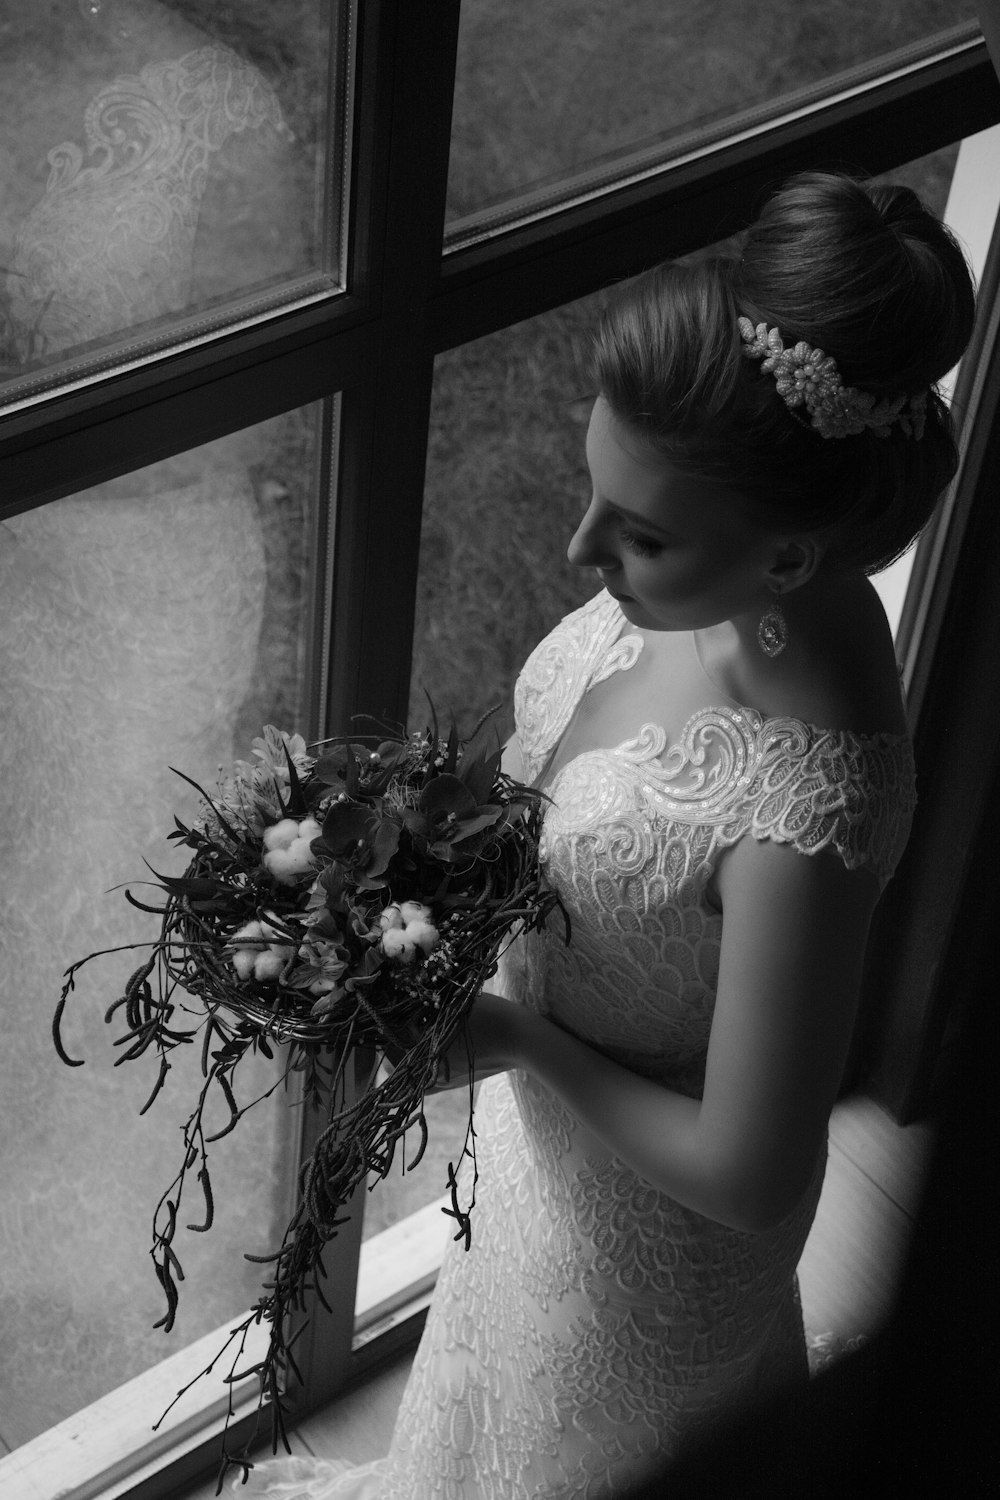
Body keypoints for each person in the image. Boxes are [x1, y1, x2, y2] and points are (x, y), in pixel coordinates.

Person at [239, 172, 976, 1498]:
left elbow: (751, 1179)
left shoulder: (806, 804)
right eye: (597, 488)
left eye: (635, 537)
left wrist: (515, 1035)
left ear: (792, 560)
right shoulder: (728, 570)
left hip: (640, 1282)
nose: (582, 547)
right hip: (536, 1175)